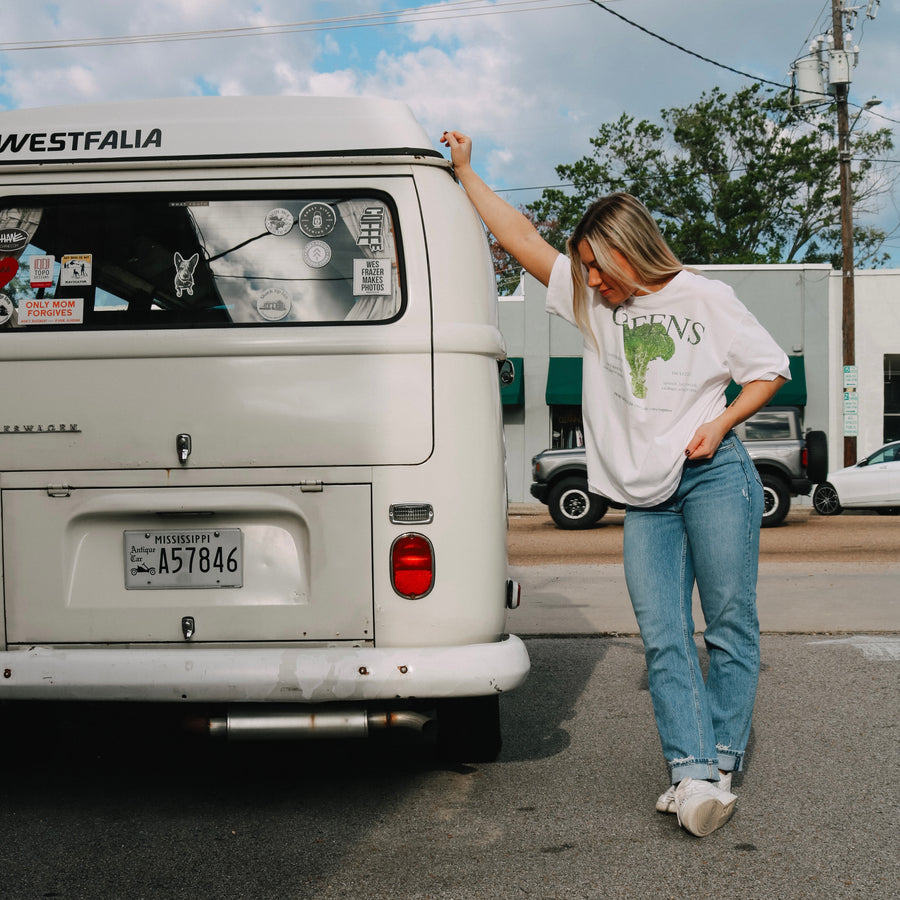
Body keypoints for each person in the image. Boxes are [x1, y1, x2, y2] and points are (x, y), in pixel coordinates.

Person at [441, 130, 789, 838]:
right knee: (663, 634)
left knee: (727, 626)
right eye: (585, 270)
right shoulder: (591, 300)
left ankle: (714, 765)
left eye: (599, 267)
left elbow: (769, 369)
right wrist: (468, 172)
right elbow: (515, 234)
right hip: (646, 497)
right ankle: (692, 774)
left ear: (629, 249)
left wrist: (721, 425)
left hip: (715, 475)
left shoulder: (705, 298)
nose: (590, 282)